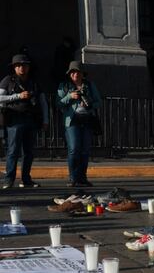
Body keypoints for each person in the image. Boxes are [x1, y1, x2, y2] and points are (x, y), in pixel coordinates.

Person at [0, 54, 48, 189]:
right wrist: (17, 96)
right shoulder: (8, 80)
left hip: (31, 120)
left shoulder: (34, 82)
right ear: (14, 67)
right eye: (19, 65)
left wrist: (45, 120)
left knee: (28, 152)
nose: (22, 68)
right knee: (13, 150)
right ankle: (9, 180)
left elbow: (43, 102)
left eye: (25, 65)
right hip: (14, 120)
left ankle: (26, 179)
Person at [57, 61, 102, 188]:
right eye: (73, 72)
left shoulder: (89, 85)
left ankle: (82, 177)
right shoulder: (64, 86)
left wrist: (90, 104)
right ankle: (73, 177)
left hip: (87, 119)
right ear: (69, 74)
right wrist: (69, 96)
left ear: (82, 74)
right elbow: (58, 103)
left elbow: (99, 102)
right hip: (71, 121)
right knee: (74, 148)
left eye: (77, 72)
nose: (75, 74)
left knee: (85, 150)